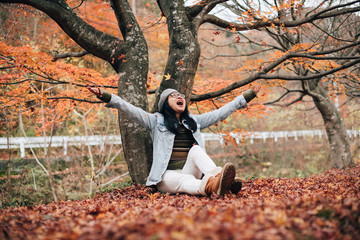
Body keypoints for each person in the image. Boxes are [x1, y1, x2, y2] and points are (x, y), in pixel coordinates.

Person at [88, 85, 260, 196]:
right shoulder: (155, 121)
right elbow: (131, 110)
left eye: (182, 96)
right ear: (165, 103)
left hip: (189, 169)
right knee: (185, 182)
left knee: (196, 150)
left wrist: (246, 96)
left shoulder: (194, 121)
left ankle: (217, 179)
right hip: (166, 176)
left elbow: (220, 113)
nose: (180, 97)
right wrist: (107, 96)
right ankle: (216, 185)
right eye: (175, 96)